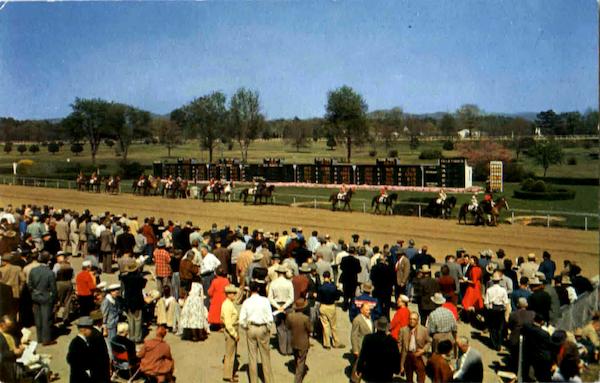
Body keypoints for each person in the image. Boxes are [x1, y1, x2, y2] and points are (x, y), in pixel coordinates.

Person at [239, 282, 274, 383]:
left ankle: (253, 381)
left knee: (252, 356)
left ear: (250, 290)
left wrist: (246, 327)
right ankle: (268, 380)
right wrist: (268, 328)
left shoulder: (246, 302)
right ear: (258, 289)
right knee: (265, 356)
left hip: (251, 327)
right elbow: (270, 318)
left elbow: (242, 320)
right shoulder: (265, 301)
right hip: (262, 327)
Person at [356, 316, 400, 382]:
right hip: (386, 373)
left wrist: (359, 369)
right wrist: (396, 370)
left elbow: (363, 355)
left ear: (377, 327)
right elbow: (396, 357)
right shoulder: (392, 341)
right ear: (386, 329)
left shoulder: (368, 338)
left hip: (371, 371)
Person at [28, 251, 57, 345]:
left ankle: (39, 337)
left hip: (35, 296)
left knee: (37, 317)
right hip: (46, 297)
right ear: (48, 261)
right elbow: (53, 289)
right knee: (46, 318)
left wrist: (34, 292)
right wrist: (55, 300)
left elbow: (30, 285)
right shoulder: (50, 273)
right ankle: (46, 339)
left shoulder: (33, 270)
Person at [268, 264, 294, 355]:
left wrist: (278, 307)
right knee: (289, 328)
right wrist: (284, 306)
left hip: (276, 306)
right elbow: (291, 298)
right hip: (288, 307)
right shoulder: (289, 283)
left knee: (280, 328)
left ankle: (283, 349)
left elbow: (270, 298)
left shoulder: (273, 283)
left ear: (278, 273)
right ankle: (289, 349)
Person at [399, 312, 431, 383]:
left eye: (414, 319)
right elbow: (399, 344)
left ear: (417, 320)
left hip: (419, 356)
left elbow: (429, 342)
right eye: (410, 319)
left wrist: (423, 350)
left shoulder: (424, 330)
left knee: (421, 378)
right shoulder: (403, 330)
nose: (412, 321)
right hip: (408, 356)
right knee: (409, 378)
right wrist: (401, 363)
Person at [286, 298, 312, 383]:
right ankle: (297, 380)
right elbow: (310, 329)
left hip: (294, 341)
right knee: (301, 361)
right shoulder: (305, 318)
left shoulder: (290, 317)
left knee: (296, 357)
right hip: (303, 343)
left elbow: (287, 327)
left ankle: (297, 370)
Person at [316, 271, 344, 349]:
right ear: (329, 277)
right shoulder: (333, 287)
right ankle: (336, 342)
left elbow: (318, 298)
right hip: (331, 306)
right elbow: (337, 297)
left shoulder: (320, 287)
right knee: (333, 326)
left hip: (323, 306)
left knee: (325, 326)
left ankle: (327, 343)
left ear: (323, 277)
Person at [121, 262, 146, 343]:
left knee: (130, 320)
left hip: (128, 302)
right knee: (138, 320)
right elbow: (143, 284)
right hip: (137, 302)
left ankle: (131, 337)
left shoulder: (125, 278)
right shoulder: (139, 278)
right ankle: (138, 337)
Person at [484, 272, 509, 351]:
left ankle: (493, 343)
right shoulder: (503, 290)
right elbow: (506, 302)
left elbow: (486, 302)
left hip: (492, 309)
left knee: (492, 327)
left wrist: (489, 309)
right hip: (500, 309)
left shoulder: (489, 290)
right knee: (500, 327)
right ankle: (499, 343)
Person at [67, 316, 94, 383]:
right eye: (91, 328)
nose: (92, 331)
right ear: (84, 330)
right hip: (81, 378)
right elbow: (71, 359)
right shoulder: (78, 344)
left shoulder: (75, 341)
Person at [350, 303, 373, 383]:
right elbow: (354, 335)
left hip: (368, 347)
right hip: (360, 347)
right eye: (366, 310)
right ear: (361, 310)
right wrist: (355, 349)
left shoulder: (369, 318)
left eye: (369, 310)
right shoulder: (357, 320)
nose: (369, 311)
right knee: (357, 365)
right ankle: (354, 380)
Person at [221, 285, 239, 383]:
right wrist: (235, 334)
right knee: (230, 354)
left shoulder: (229, 303)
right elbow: (228, 323)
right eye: (233, 293)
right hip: (231, 330)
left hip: (232, 329)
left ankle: (231, 372)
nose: (235, 295)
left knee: (232, 353)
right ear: (228, 294)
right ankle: (228, 375)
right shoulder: (227, 305)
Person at [0, 315, 25, 383]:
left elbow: (17, 341)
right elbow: (1, 355)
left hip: (14, 363)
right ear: (2, 325)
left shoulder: (11, 332)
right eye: (9, 326)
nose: (11, 328)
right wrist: (13, 352)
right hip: (5, 367)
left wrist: (20, 348)